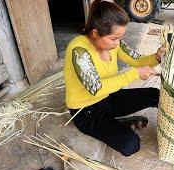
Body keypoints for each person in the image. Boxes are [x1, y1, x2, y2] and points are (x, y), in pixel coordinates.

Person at [64, 0, 165, 156]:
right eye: (114, 39)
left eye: (119, 38)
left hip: (109, 98)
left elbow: (137, 60)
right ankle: (114, 124)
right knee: (131, 145)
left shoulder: (114, 44)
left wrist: (157, 57)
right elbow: (96, 89)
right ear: (95, 33)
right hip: (87, 112)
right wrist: (134, 74)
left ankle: (113, 123)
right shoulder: (79, 50)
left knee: (155, 95)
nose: (117, 43)